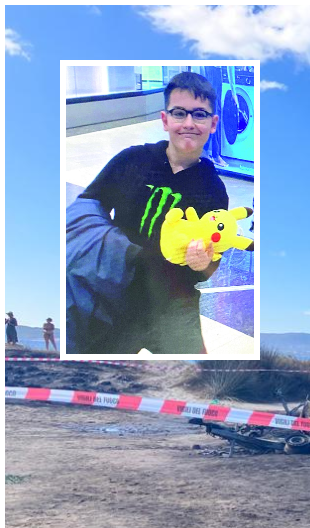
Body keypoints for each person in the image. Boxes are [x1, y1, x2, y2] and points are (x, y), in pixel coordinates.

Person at [66, 71, 229, 354]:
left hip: (173, 303)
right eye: (179, 113)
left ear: (213, 124)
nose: (189, 123)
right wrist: (110, 250)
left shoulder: (213, 190)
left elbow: (211, 267)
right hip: (114, 295)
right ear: (164, 119)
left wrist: (202, 262)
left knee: (199, 382)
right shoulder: (133, 160)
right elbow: (89, 204)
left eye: (200, 115)